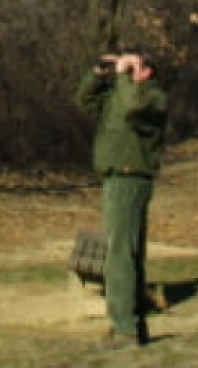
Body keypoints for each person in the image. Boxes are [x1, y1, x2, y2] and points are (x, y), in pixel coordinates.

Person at [75, 49, 168, 348]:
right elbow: (84, 101)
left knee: (121, 255)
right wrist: (98, 73)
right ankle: (133, 324)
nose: (125, 73)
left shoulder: (153, 98)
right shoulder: (121, 95)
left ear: (147, 71)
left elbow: (132, 109)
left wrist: (125, 78)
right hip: (115, 178)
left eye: (132, 67)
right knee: (127, 253)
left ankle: (124, 327)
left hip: (131, 179)